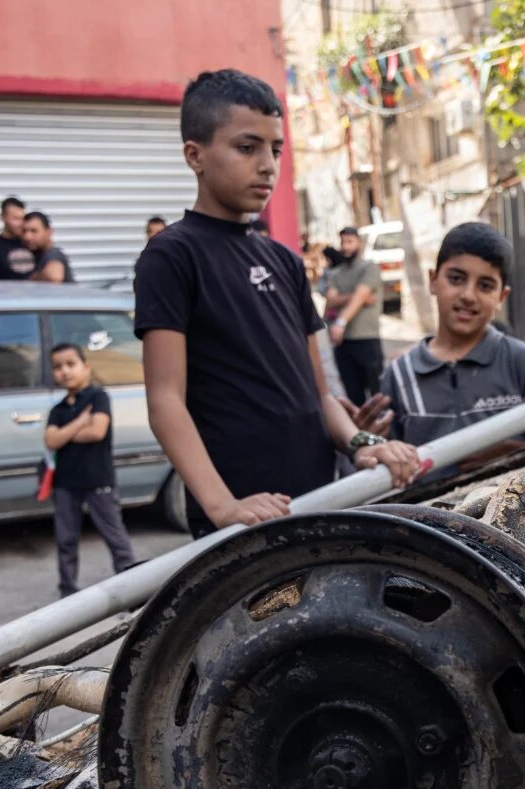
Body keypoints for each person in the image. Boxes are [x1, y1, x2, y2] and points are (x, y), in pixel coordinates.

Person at [136, 69, 420, 538]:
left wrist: (362, 445)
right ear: (195, 155)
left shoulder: (284, 262)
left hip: (317, 500)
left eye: (275, 149)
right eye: (247, 148)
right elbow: (165, 399)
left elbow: (319, 394)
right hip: (241, 519)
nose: (268, 165)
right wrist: (223, 506)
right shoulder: (172, 254)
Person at [375, 222, 525, 458]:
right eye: (456, 279)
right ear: (433, 281)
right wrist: (371, 443)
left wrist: (514, 457)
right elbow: (384, 463)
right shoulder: (399, 375)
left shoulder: (521, 362)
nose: (468, 296)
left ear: (501, 296)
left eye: (485, 286)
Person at [43, 343, 134, 597]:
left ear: (86, 366)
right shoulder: (57, 409)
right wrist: (81, 421)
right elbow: (51, 441)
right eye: (58, 367)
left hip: (98, 480)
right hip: (65, 483)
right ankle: (67, 592)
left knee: (116, 538)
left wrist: (65, 433)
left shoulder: (98, 397)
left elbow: (97, 432)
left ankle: (132, 589)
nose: (65, 371)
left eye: (71, 364)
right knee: (66, 541)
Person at [323, 225, 384, 404]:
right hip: (344, 344)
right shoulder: (335, 273)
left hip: (367, 339)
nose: (346, 247)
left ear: (359, 243)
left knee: (378, 395)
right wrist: (359, 295)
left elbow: (358, 297)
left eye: (350, 242)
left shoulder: (369, 268)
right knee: (353, 396)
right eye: (343, 242)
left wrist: (340, 321)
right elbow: (331, 301)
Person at [0, 196, 35, 280]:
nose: (21, 223)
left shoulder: (31, 244)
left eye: (23, 219)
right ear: (3, 217)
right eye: (16, 218)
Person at [21, 211, 72, 283]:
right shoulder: (35, 254)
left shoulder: (54, 254)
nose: (27, 237)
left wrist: (33, 279)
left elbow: (54, 276)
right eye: (24, 231)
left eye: (34, 231)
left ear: (49, 232)